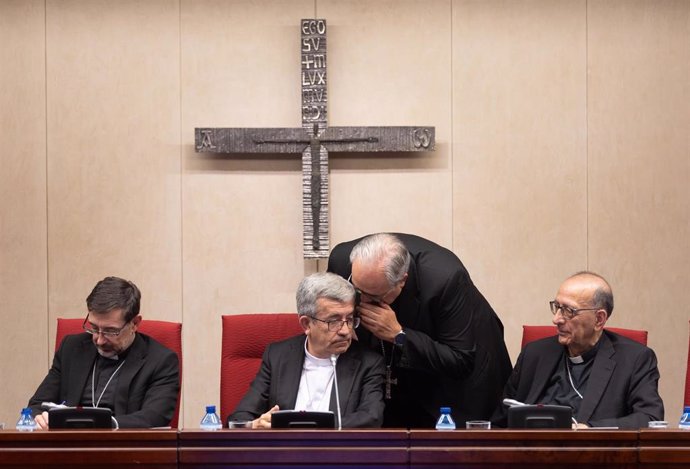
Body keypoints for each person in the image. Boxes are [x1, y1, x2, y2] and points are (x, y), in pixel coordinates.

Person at [327, 233, 512, 428]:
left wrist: (399, 336)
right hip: (398, 372)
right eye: (357, 291)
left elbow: (460, 359)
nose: (362, 301)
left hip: (460, 373)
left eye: (372, 296)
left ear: (402, 281)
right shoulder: (341, 260)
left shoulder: (445, 278)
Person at [494, 271, 664, 429]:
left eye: (568, 311)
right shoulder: (535, 354)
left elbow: (649, 418)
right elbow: (499, 422)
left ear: (599, 319)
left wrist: (590, 430)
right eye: (557, 307)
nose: (556, 319)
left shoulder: (634, 359)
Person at [230, 272, 385, 428]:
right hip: (284, 451)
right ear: (306, 324)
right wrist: (255, 425)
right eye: (334, 321)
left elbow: (371, 418)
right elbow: (238, 419)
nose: (345, 330)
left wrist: (308, 427)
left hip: (337, 450)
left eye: (350, 319)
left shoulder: (368, 363)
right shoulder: (277, 356)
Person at [27, 276, 180, 429]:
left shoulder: (161, 361)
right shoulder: (71, 348)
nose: (99, 340)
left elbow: (154, 417)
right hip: (68, 447)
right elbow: (36, 405)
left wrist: (101, 424)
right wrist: (41, 419)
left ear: (134, 324)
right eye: (94, 327)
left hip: (124, 447)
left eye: (111, 331)